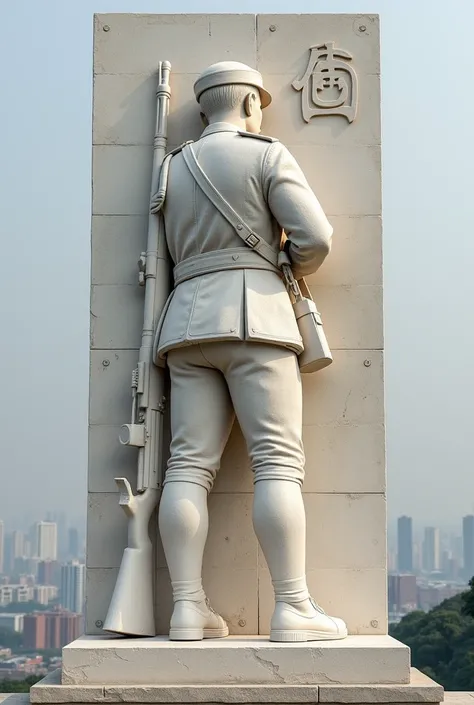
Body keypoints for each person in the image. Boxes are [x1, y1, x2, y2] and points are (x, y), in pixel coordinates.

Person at [151, 61, 347, 642]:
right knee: (278, 463)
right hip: (255, 317)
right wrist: (287, 264)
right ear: (249, 105)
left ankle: (187, 608)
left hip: (185, 325)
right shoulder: (266, 154)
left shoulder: (172, 166)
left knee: (186, 467)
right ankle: (293, 607)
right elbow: (316, 237)